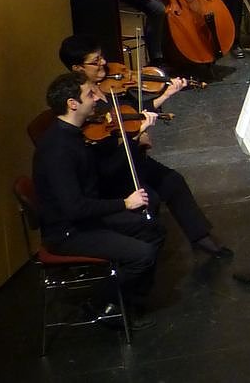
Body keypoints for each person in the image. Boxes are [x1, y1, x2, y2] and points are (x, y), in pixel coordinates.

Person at [59, 35, 231, 258]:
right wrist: (136, 136)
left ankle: (200, 237)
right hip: (112, 169)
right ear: (77, 68)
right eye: (95, 61)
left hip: (131, 156)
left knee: (173, 180)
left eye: (101, 57)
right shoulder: (80, 102)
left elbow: (132, 114)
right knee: (151, 198)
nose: (104, 63)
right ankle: (145, 252)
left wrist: (166, 94)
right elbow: (101, 148)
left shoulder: (108, 86)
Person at [34, 72, 163, 329]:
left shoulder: (75, 134)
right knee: (143, 254)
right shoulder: (58, 150)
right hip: (68, 232)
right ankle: (101, 303)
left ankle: (128, 300)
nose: (97, 98)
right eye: (90, 94)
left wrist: (132, 141)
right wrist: (124, 204)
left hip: (85, 220)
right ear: (72, 103)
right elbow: (75, 208)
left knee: (152, 229)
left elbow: (100, 174)